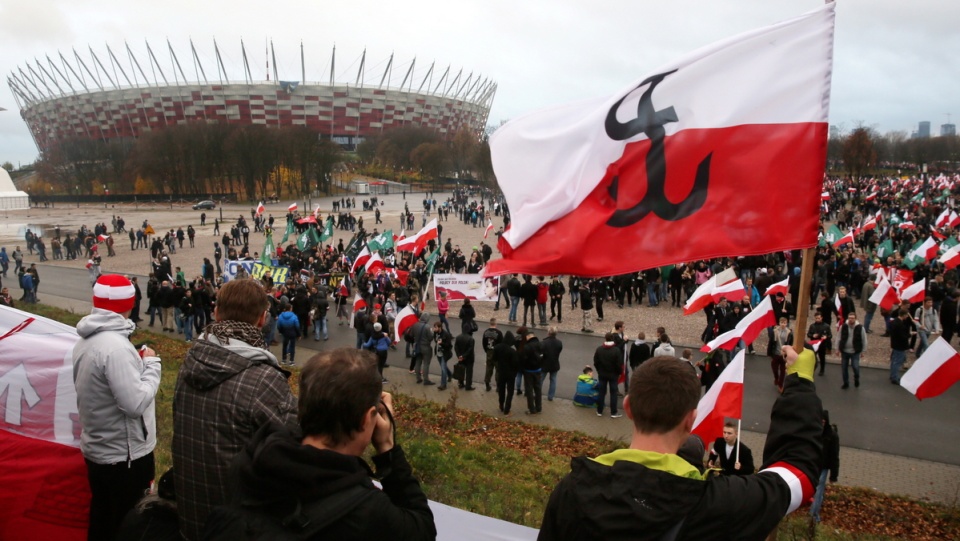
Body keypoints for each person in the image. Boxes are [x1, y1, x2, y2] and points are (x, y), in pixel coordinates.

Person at [539, 348, 823, 540]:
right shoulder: (717, 504)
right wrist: (799, 382)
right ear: (691, 421)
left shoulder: (572, 491)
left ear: (628, 408)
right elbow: (797, 474)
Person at [203, 348, 437, 540]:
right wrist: (387, 448)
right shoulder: (368, 512)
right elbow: (422, 529)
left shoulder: (251, 461)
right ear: (367, 419)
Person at [173, 278, 298, 541]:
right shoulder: (263, 379)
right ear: (262, 319)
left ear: (216, 313)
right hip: (238, 526)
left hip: (191, 514)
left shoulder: (190, 361)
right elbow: (295, 451)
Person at [72, 275, 161, 541]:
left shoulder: (86, 340)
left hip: (101, 450)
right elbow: (134, 404)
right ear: (130, 304)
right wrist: (153, 365)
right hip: (127, 457)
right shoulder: (115, 348)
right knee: (130, 524)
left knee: (103, 518)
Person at [810, 409, 840, 524]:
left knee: (818, 490)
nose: (821, 424)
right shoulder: (814, 431)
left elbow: (834, 456)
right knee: (817, 490)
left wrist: (833, 476)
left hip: (822, 467)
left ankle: (814, 515)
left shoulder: (832, 436)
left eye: (823, 422)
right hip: (813, 464)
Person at [593, 333, 623, 418]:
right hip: (613, 375)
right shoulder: (616, 350)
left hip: (602, 374)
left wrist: (599, 370)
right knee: (613, 393)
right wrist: (619, 373)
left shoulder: (599, 349)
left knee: (601, 392)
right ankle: (613, 412)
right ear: (612, 339)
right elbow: (619, 364)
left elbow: (596, 362)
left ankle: (599, 411)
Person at [838, 311, 867, 390]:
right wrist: (837, 349)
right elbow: (839, 337)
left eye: (852, 318)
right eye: (849, 318)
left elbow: (864, 339)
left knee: (855, 367)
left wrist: (863, 351)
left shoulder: (860, 328)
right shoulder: (843, 326)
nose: (851, 320)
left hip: (855, 351)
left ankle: (856, 378)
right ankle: (846, 383)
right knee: (844, 368)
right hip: (844, 351)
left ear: (855, 319)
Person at [494, 331, 520, 415]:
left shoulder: (497, 347)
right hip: (510, 374)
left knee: (501, 390)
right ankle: (507, 409)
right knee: (510, 391)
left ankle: (501, 405)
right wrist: (515, 372)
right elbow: (516, 363)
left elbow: (494, 358)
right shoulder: (512, 351)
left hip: (501, 372)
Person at [520, 329, 543, 413]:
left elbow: (524, 359)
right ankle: (539, 407)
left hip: (528, 371)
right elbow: (543, 356)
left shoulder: (527, 347)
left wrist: (523, 368)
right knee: (538, 389)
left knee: (529, 390)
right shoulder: (540, 344)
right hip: (538, 370)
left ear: (528, 337)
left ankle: (531, 409)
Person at [889, 308, 914, 385]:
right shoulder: (899, 324)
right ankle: (894, 377)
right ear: (904, 315)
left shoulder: (895, 322)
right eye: (906, 315)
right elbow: (902, 336)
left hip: (895, 344)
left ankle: (893, 375)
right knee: (897, 362)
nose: (907, 316)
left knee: (894, 361)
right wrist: (910, 334)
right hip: (900, 345)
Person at [541, 326, 563, 401]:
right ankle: (551, 396)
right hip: (555, 364)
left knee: (540, 380)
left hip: (545, 364)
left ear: (548, 333)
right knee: (553, 380)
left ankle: (538, 394)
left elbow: (541, 354)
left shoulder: (544, 342)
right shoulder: (559, 343)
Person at [806, 311, 832, 376]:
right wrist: (812, 335)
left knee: (822, 358)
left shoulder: (826, 326)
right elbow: (808, 334)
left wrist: (826, 337)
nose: (817, 319)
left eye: (819, 318)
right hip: (814, 344)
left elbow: (830, 335)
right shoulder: (812, 326)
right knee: (813, 358)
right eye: (816, 318)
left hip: (822, 344)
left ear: (822, 318)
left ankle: (822, 370)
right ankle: (812, 369)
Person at [481, 318, 503, 392]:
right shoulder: (499, 333)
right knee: (498, 370)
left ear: (489, 323)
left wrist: (486, 351)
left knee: (489, 368)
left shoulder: (486, 332)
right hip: (497, 352)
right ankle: (498, 386)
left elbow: (483, 343)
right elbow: (501, 344)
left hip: (489, 351)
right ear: (496, 324)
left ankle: (487, 384)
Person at [454, 326, 477, 390]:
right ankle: (468, 385)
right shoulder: (471, 339)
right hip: (469, 358)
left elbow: (456, 347)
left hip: (460, 357)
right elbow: (470, 349)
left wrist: (459, 356)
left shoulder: (458, 337)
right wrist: (464, 356)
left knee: (461, 370)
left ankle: (460, 383)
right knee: (469, 372)